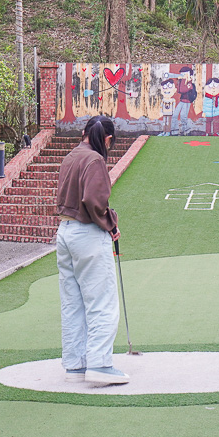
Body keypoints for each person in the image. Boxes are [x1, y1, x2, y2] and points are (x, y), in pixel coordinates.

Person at [54, 115, 129, 386]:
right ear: (107, 139)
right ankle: (99, 364)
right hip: (87, 234)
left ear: (84, 132)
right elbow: (94, 201)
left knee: (73, 302)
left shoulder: (71, 156)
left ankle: (76, 366)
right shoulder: (95, 159)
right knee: (102, 301)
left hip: (64, 233)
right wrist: (111, 223)